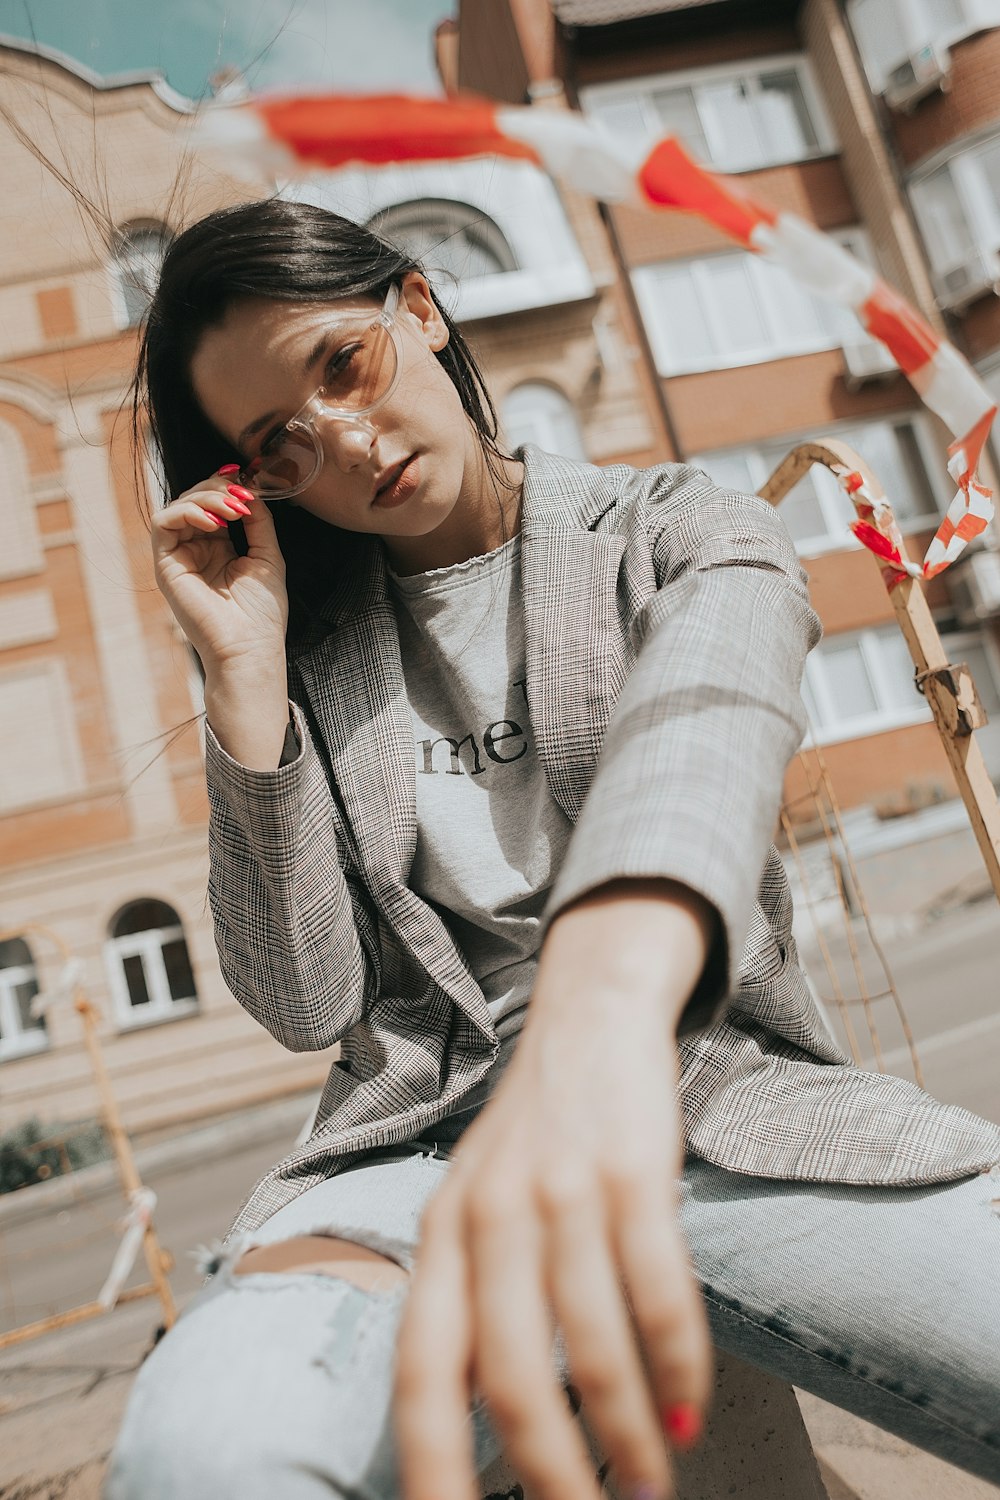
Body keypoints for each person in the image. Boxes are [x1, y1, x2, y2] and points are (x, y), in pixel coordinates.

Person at [105, 198, 1000, 1500]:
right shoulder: (301, 658)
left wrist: (592, 1024)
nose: (346, 445)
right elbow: (304, 1001)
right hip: (415, 1162)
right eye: (281, 446)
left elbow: (710, 719)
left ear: (418, 308)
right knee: (207, 1457)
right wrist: (242, 677)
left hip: (712, 1117)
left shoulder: (671, 529)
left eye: (342, 368)